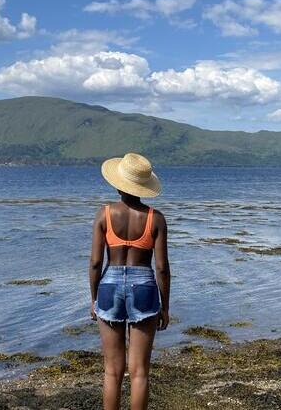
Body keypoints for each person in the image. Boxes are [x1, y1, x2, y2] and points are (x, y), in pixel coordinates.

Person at [89, 152, 170, 410]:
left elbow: (94, 263)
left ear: (117, 183)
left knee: (112, 372)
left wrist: (93, 299)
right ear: (144, 187)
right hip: (144, 285)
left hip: (109, 285)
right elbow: (161, 267)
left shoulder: (103, 215)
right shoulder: (155, 219)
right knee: (139, 372)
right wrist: (165, 306)